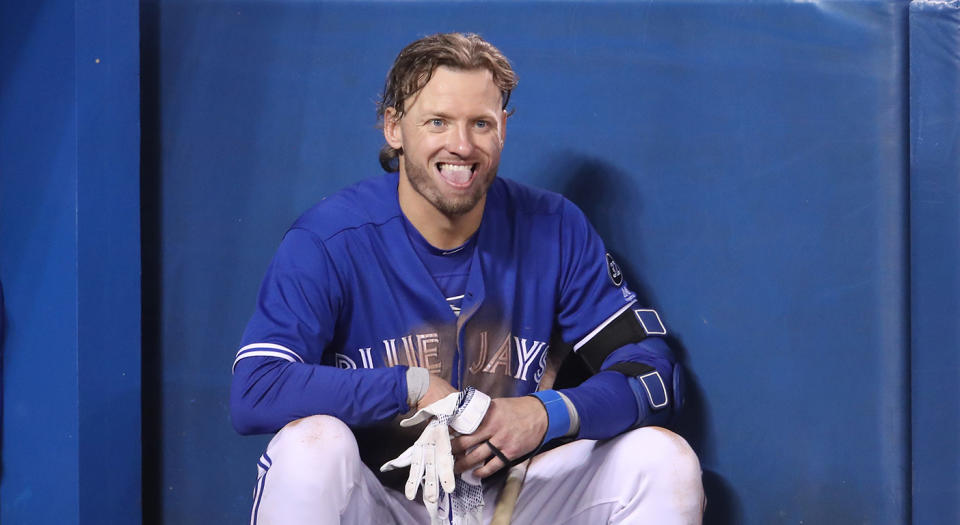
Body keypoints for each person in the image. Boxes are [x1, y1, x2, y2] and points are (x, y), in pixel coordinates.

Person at [231, 32, 705, 525]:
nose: (461, 145)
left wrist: (547, 414)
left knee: (660, 458)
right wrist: (410, 387)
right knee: (309, 449)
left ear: (503, 127)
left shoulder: (553, 228)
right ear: (394, 127)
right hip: (383, 502)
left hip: (515, 499)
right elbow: (257, 388)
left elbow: (655, 376)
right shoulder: (328, 240)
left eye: (480, 123)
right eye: (437, 121)